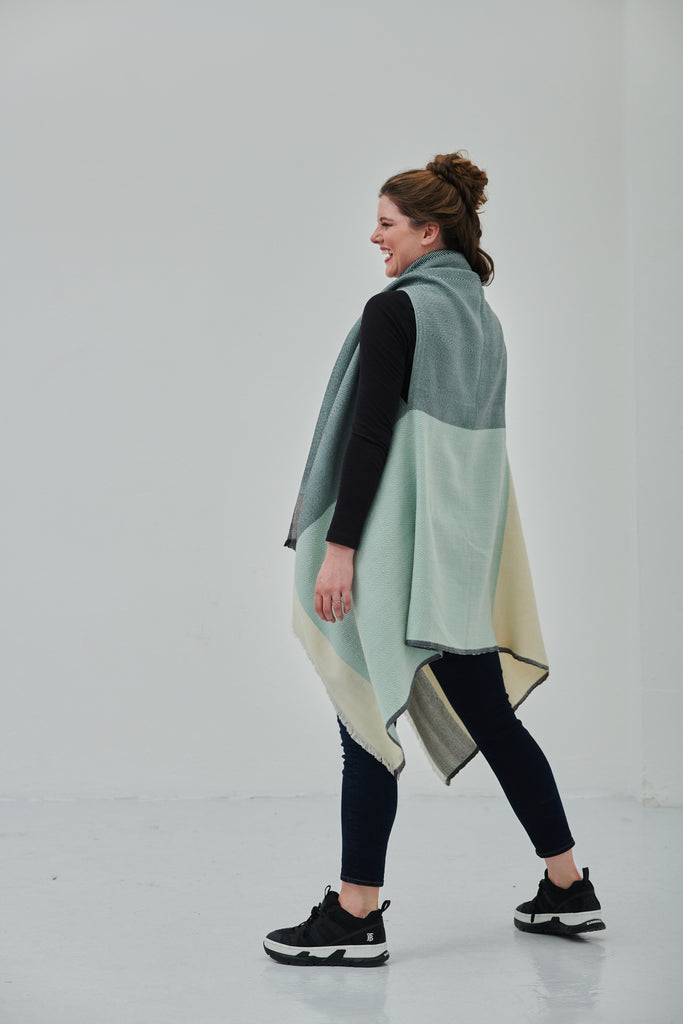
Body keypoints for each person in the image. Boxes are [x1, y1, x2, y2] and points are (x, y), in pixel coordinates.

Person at [264, 152, 605, 968]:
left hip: (398, 553)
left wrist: (339, 548)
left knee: (362, 714)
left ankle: (355, 915)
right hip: (459, 556)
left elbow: (369, 435)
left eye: (385, 224)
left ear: (428, 232)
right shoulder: (480, 318)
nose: (373, 237)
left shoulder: (396, 311)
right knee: (492, 720)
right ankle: (566, 887)